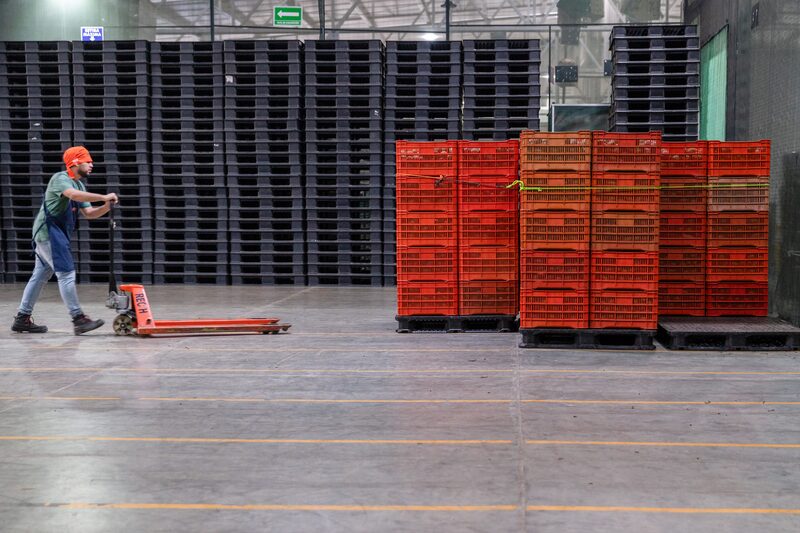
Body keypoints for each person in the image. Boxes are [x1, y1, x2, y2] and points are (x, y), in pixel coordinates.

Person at [11, 146, 119, 335]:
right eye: (88, 161)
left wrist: (106, 206)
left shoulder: (80, 184)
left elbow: (90, 213)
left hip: (56, 233)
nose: (92, 164)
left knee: (40, 275)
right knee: (66, 273)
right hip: (48, 233)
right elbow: (73, 196)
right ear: (76, 162)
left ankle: (22, 318)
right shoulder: (61, 178)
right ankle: (78, 319)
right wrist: (103, 196)